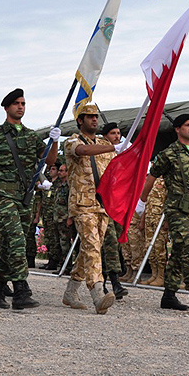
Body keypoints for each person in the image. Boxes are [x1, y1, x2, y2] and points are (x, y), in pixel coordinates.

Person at [0, 88, 59, 310]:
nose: (20, 107)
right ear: (6, 108)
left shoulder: (32, 136)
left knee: (11, 246)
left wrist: (54, 141)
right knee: (15, 239)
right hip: (2, 195)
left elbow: (50, 160)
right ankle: (21, 291)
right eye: (16, 103)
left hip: (24, 197)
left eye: (23, 103)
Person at [137, 114, 189, 312]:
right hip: (177, 210)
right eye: (187, 125)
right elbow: (151, 177)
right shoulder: (169, 153)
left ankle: (169, 296)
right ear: (177, 129)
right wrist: (142, 201)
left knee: (180, 253)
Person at [61, 104, 128, 314]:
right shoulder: (72, 141)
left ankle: (71, 291)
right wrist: (113, 147)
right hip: (82, 204)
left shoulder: (104, 143)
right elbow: (83, 151)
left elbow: (116, 170)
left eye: (96, 117)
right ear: (80, 120)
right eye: (89, 117)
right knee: (91, 245)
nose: (94, 120)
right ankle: (97, 293)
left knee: (91, 249)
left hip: (101, 204)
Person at [99, 121, 129, 299]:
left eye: (118, 133)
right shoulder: (101, 154)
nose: (117, 136)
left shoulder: (122, 154)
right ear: (105, 137)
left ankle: (102, 281)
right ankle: (115, 283)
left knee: (114, 243)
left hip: (118, 204)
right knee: (109, 241)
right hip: (103, 204)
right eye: (113, 134)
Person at [138, 175, 167, 287]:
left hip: (159, 220)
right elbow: (147, 203)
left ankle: (161, 276)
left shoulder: (166, 181)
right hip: (150, 218)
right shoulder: (150, 181)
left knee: (160, 248)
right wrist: (143, 220)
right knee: (149, 247)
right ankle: (154, 275)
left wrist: (167, 220)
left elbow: (168, 202)